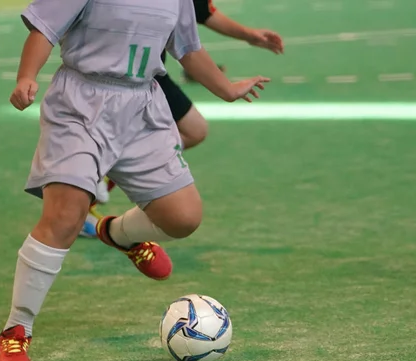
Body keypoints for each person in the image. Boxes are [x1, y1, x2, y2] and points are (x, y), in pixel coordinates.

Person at [0, 0, 269, 361]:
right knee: (65, 218)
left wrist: (227, 89)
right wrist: (27, 76)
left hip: (143, 107)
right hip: (81, 104)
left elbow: (187, 48)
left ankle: (118, 234)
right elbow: (44, 27)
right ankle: (17, 329)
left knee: (184, 217)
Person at [81, 0, 283, 236]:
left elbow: (198, 16)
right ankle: (90, 195)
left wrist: (248, 37)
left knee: (193, 130)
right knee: (190, 130)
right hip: (115, 74)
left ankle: (103, 180)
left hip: (148, 71)